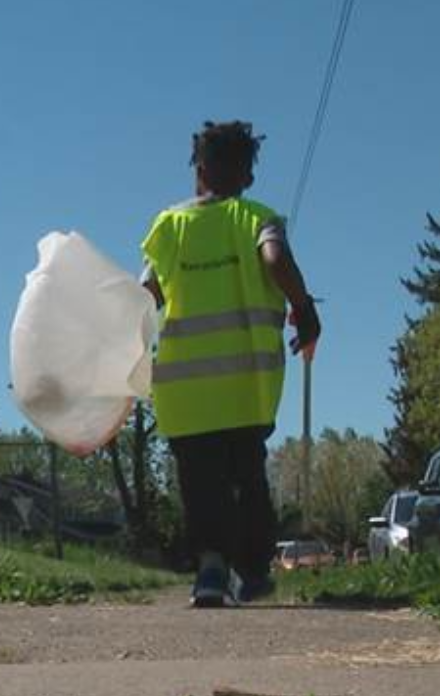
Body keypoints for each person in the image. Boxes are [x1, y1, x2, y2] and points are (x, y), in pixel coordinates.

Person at [141, 120, 320, 607]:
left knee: (200, 484)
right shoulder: (258, 218)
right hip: (245, 387)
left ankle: (212, 570)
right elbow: (275, 259)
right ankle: (254, 572)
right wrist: (304, 310)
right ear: (248, 176)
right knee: (246, 479)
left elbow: (145, 294)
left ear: (198, 168)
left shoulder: (170, 226)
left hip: (184, 390)